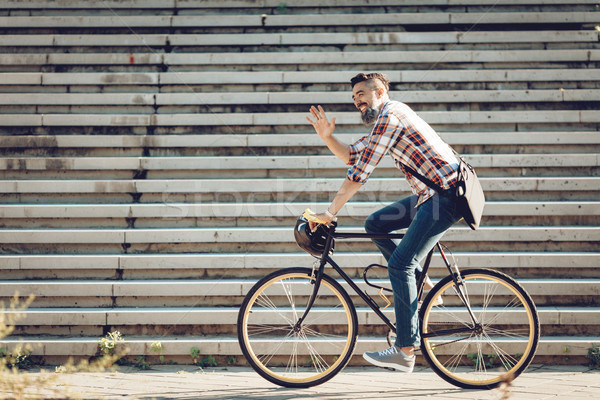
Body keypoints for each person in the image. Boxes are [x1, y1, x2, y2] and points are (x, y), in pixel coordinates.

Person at [305, 72, 463, 373]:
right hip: (431, 196)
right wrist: (327, 137)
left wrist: (330, 212)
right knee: (376, 224)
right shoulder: (386, 121)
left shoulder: (392, 117)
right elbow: (354, 156)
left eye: (362, 94)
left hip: (444, 198)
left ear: (380, 91)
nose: (357, 102)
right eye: (354, 99)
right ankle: (417, 280)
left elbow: (359, 175)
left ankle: (405, 350)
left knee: (399, 265)